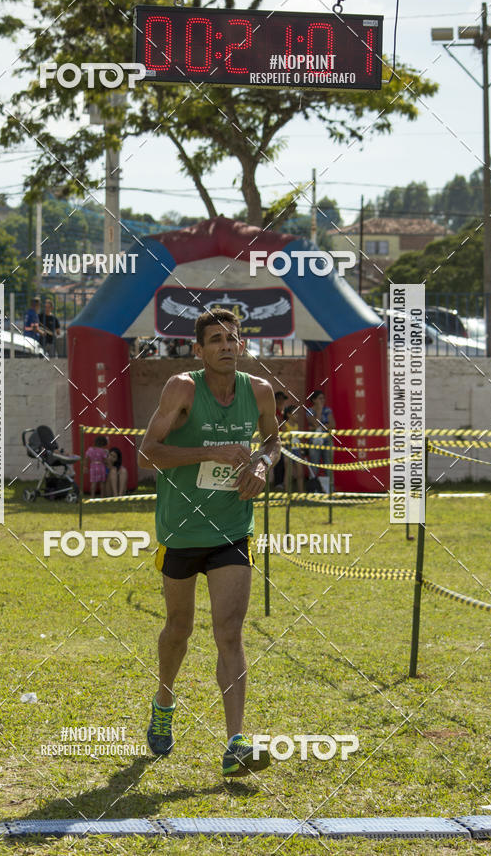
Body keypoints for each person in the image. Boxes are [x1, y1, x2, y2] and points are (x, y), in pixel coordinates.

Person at [139, 307, 280, 778]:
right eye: (215, 339)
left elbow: (273, 441)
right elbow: (149, 452)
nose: (225, 345)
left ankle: (235, 741)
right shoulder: (182, 388)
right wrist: (209, 451)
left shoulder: (259, 392)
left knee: (229, 631)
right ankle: (164, 700)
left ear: (241, 345)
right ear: (198, 350)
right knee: (179, 628)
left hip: (231, 529)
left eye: (231, 338)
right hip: (181, 530)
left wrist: (262, 464)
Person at [306, 390, 336, 492]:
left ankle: (331, 491)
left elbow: (332, 424)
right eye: (320, 398)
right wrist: (318, 411)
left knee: (328, 465)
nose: (322, 400)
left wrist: (321, 426)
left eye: (323, 398)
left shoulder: (328, 410)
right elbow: (315, 424)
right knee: (314, 465)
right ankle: (313, 490)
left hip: (327, 440)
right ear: (314, 400)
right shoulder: (309, 410)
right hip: (314, 440)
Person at [283, 403, 305, 495]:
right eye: (295, 413)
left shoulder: (296, 425)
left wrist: (300, 450)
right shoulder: (285, 425)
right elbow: (283, 440)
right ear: (288, 414)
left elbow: (298, 439)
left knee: (300, 473)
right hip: (288, 449)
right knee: (288, 472)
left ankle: (301, 492)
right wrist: (284, 454)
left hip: (296, 449)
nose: (297, 415)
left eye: (297, 413)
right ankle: (287, 492)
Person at [272, 391, 288, 489]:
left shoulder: (283, 412)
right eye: (281, 399)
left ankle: (281, 482)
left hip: (283, 439)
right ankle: (278, 483)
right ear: (276, 399)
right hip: (275, 439)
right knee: (278, 461)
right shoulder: (273, 411)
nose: (282, 401)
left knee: (283, 461)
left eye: (283, 399)